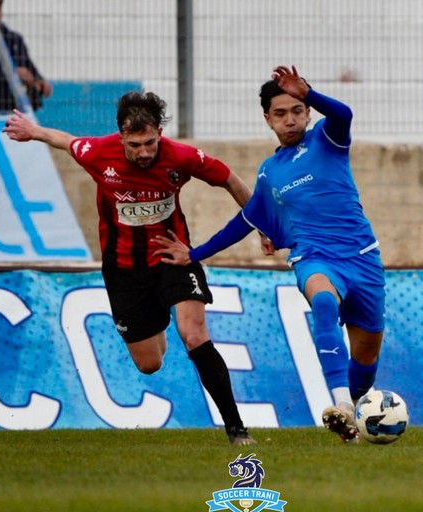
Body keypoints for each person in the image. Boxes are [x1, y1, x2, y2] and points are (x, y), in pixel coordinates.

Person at [2, 91, 256, 446]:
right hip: (123, 269)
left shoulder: (181, 157)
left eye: (150, 142)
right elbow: (65, 140)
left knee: (195, 334)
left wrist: (261, 226)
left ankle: (236, 429)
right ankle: (157, 318)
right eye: (135, 144)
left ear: (159, 133)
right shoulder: (98, 154)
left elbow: (231, 179)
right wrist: (33, 130)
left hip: (174, 257)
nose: (144, 152)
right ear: (120, 136)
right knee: (149, 364)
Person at [153, 65, 386, 443]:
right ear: (267, 119)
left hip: (363, 258)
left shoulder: (328, 139)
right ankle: (341, 404)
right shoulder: (268, 172)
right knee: (323, 301)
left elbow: (344, 114)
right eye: (280, 114)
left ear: (307, 113)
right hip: (314, 257)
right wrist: (195, 254)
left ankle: (354, 414)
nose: (290, 120)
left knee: (367, 354)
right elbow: (245, 220)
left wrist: (308, 92)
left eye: (296, 111)